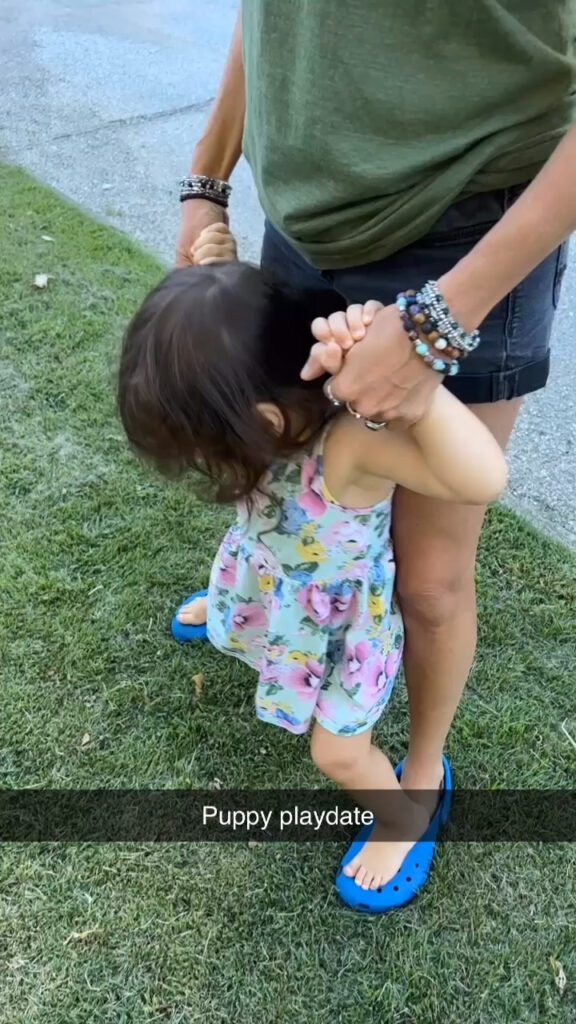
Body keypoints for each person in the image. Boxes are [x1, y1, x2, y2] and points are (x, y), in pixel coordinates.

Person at [175, 4, 575, 835]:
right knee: (276, 464)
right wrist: (207, 181)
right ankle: (263, 607)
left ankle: (420, 779)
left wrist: (436, 332)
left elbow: (480, 479)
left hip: (466, 231)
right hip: (300, 221)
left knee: (430, 579)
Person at [118, 231, 507, 911]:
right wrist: (214, 280)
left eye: (204, 452)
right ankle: (228, 606)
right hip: (270, 574)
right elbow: (231, 333)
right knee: (242, 588)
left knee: (335, 754)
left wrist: (423, 388)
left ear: (266, 421)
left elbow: (484, 477)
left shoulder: (352, 443)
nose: (204, 469)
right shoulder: (256, 394)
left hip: (339, 623)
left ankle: (403, 816)